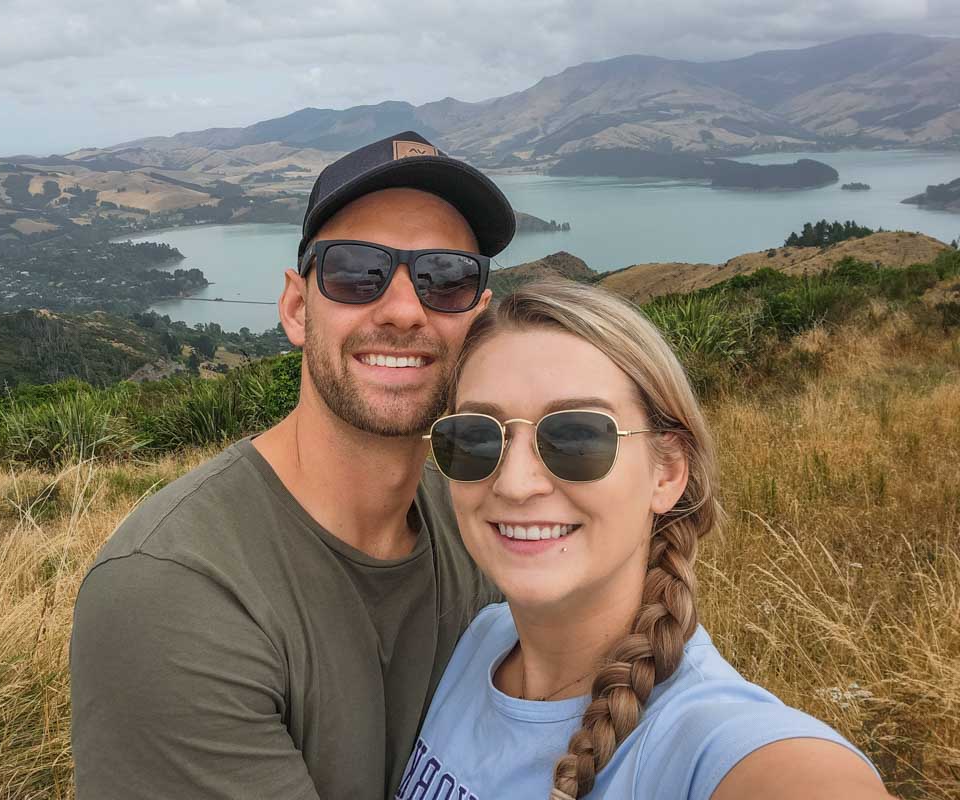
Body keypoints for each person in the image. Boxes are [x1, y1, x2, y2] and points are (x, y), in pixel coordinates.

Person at [69, 131, 514, 799]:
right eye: (356, 271)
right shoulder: (172, 591)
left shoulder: (481, 524)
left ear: (478, 321)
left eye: (445, 279)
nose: (402, 309)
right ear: (296, 308)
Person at [402, 279, 891, 800]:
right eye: (475, 437)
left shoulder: (704, 739)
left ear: (667, 472)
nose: (515, 483)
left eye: (577, 437)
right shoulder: (477, 642)